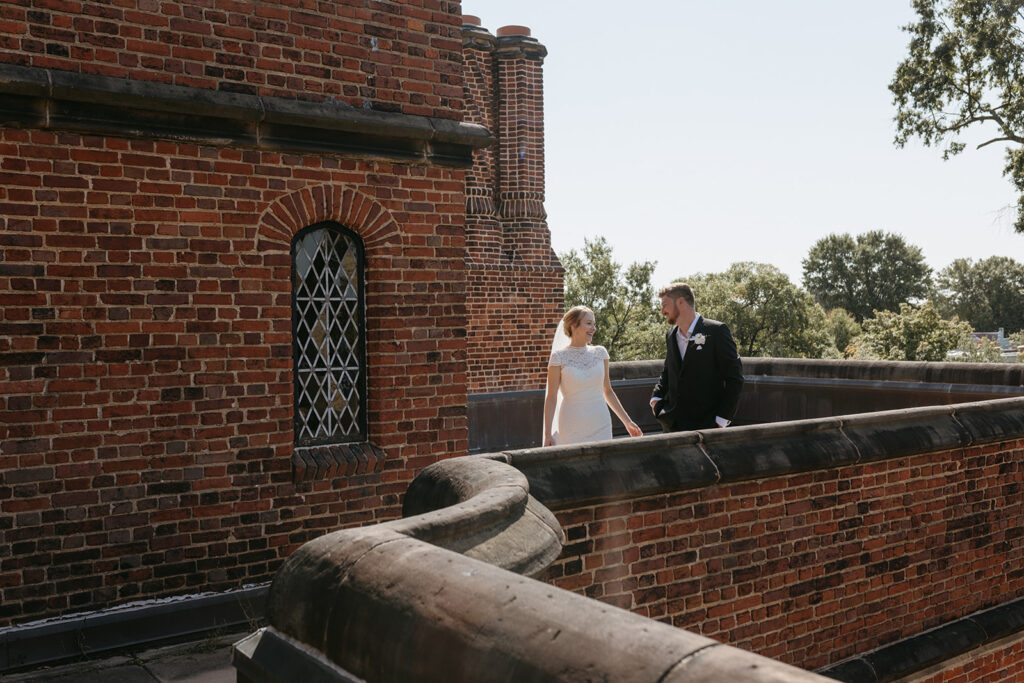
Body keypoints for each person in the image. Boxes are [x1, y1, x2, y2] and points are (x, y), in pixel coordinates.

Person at [543, 306, 643, 446]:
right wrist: (547, 434)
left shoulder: (600, 353)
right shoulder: (558, 357)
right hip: (572, 424)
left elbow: (607, 391)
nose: (594, 328)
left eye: (594, 324)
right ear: (573, 325)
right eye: (589, 323)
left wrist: (627, 422)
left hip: (601, 422)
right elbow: (552, 397)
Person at [650, 282, 744, 431]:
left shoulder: (717, 331)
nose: (662, 311)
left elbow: (735, 377)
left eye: (665, 305)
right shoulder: (671, 335)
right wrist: (656, 399)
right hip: (673, 426)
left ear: (681, 302)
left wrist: (722, 419)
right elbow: (668, 371)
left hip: (707, 427)